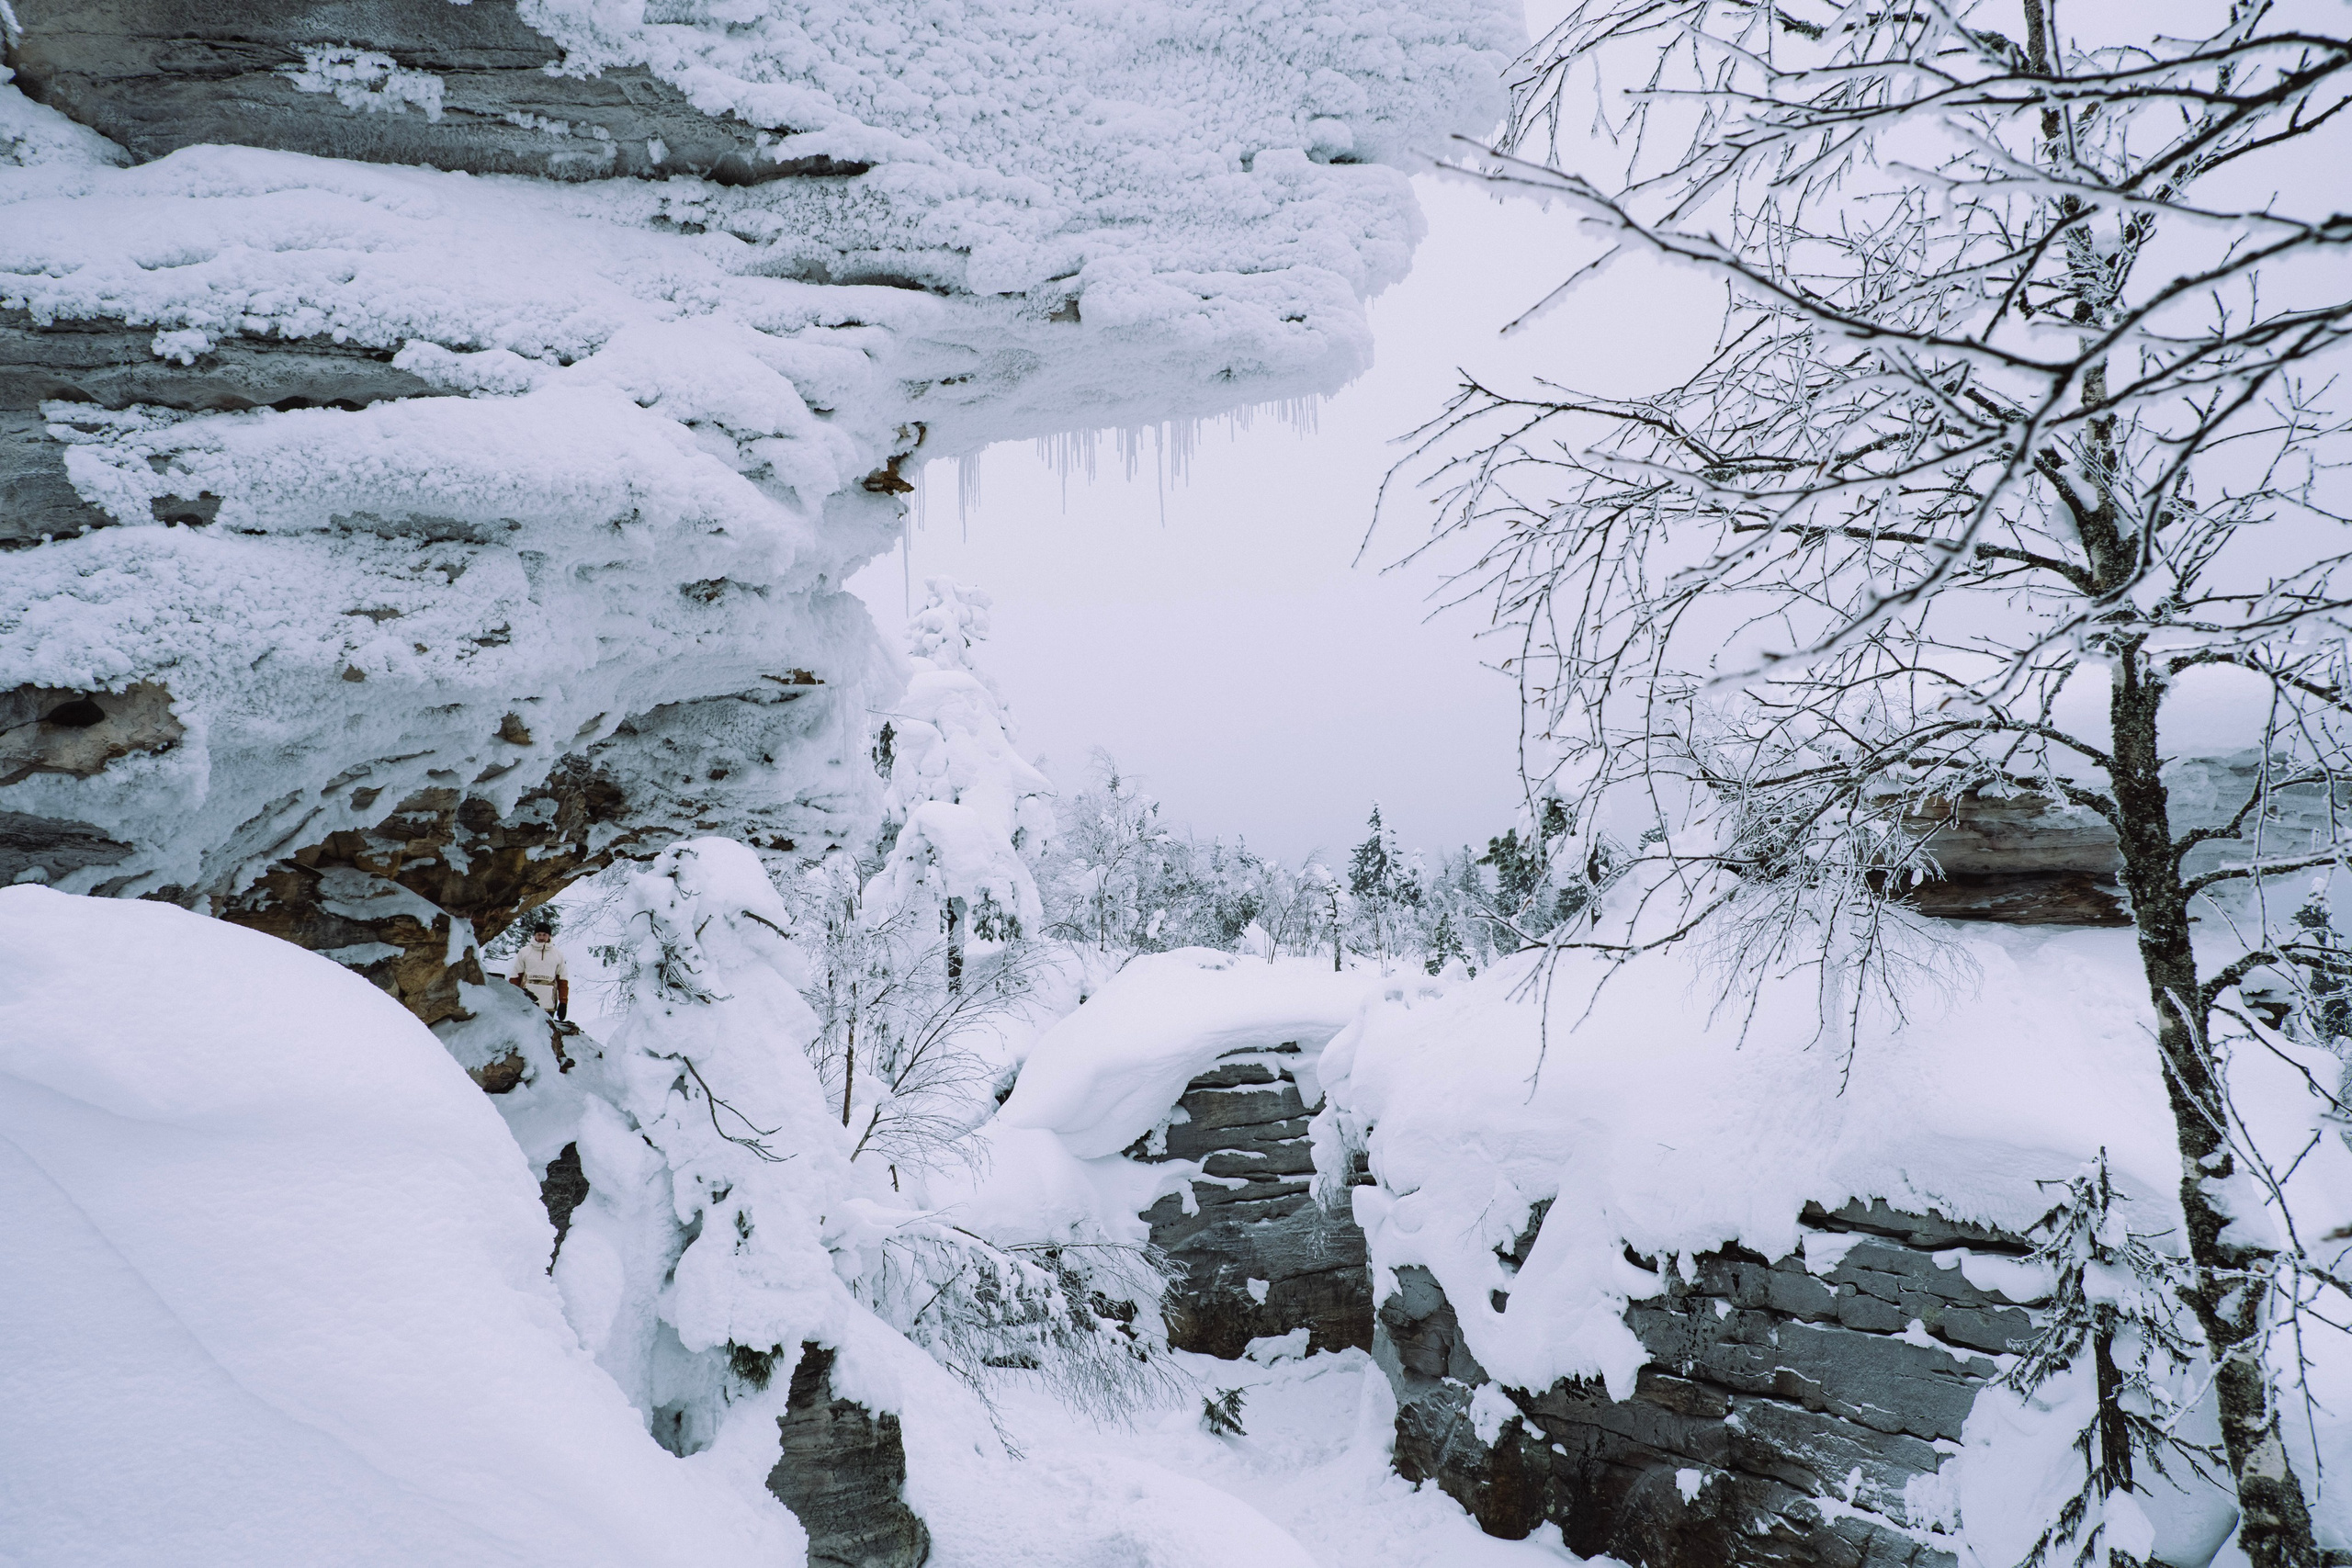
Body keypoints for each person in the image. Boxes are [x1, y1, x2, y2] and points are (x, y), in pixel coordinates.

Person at [509, 922, 570, 1020]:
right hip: (527, 1003)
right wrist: (512, 998)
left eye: (544, 935)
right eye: (539, 934)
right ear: (535, 935)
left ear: (549, 936)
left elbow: (562, 981)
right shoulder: (524, 952)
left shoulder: (558, 954)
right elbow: (515, 977)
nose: (541, 937)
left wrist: (563, 1003)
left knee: (546, 1033)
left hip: (548, 1004)